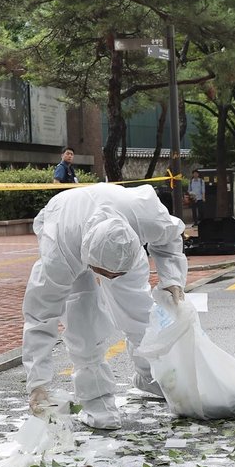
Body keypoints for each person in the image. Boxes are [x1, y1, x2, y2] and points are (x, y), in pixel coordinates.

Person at [23, 183, 188, 430]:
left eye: (116, 273)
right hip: (67, 225)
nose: (109, 279)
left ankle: (149, 375)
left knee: (139, 312)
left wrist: (173, 279)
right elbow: (40, 317)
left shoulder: (145, 216)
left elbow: (170, 237)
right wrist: (37, 384)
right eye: (104, 273)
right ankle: (97, 402)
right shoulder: (59, 252)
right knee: (83, 323)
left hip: (118, 231)